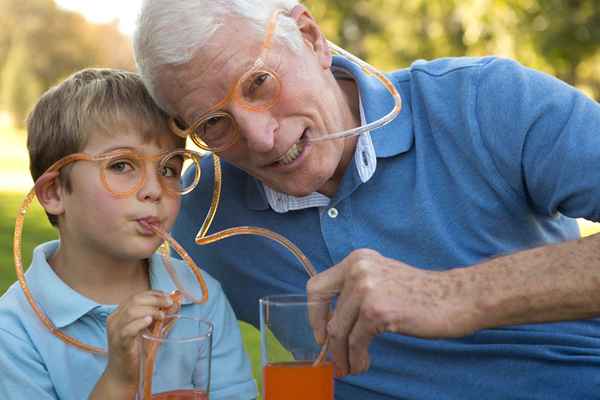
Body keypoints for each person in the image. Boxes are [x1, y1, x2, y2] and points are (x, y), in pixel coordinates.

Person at [133, 1, 600, 399]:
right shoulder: (199, 209)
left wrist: (453, 294)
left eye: (258, 83)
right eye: (214, 123)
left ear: (310, 36)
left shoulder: (486, 101)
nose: (261, 138)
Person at [0, 69, 257, 400]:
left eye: (169, 169)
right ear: (54, 192)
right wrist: (119, 380)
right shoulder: (15, 330)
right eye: (121, 165)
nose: (154, 189)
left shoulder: (199, 297)